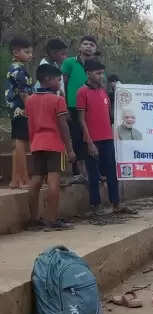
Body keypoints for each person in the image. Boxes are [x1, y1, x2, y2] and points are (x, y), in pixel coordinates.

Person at [76, 59, 136, 215]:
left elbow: (110, 115)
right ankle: (95, 206)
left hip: (108, 138)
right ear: (88, 73)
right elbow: (81, 120)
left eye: (102, 73)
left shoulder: (103, 92)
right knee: (93, 173)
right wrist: (89, 142)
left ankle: (116, 204)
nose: (101, 76)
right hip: (92, 139)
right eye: (98, 73)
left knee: (112, 171)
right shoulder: (82, 92)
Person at [26, 64, 75, 230]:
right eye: (58, 80)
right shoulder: (58, 100)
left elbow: (30, 125)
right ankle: (51, 219)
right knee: (54, 181)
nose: (60, 83)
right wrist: (69, 148)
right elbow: (63, 125)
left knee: (35, 180)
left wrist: (32, 142)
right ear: (48, 79)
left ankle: (33, 219)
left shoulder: (30, 100)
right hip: (54, 144)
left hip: (36, 143)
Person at [62, 35, 98, 184]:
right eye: (85, 44)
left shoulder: (96, 65)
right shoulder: (69, 62)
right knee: (77, 138)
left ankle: (94, 172)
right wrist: (64, 105)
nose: (88, 47)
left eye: (92, 45)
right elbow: (63, 84)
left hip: (92, 107)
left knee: (93, 138)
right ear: (80, 47)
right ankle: (82, 173)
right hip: (73, 106)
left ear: (95, 49)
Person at [5, 37, 34, 189]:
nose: (30, 55)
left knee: (17, 142)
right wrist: (30, 109)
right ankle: (24, 179)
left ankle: (15, 180)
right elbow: (24, 93)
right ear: (16, 52)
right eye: (27, 52)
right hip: (21, 109)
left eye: (31, 52)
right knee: (21, 142)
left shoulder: (14, 67)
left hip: (15, 109)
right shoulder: (19, 70)